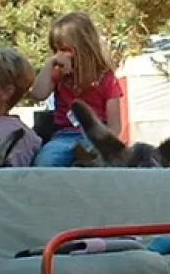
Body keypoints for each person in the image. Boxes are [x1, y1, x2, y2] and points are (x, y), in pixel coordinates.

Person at [25, 12, 124, 167]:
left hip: (96, 137)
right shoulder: (59, 76)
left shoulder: (106, 78)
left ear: (84, 49)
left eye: (64, 50)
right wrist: (50, 64)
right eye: (55, 50)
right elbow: (38, 94)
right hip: (65, 136)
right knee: (45, 161)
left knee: (102, 164)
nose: (59, 55)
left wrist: (105, 146)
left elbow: (115, 126)